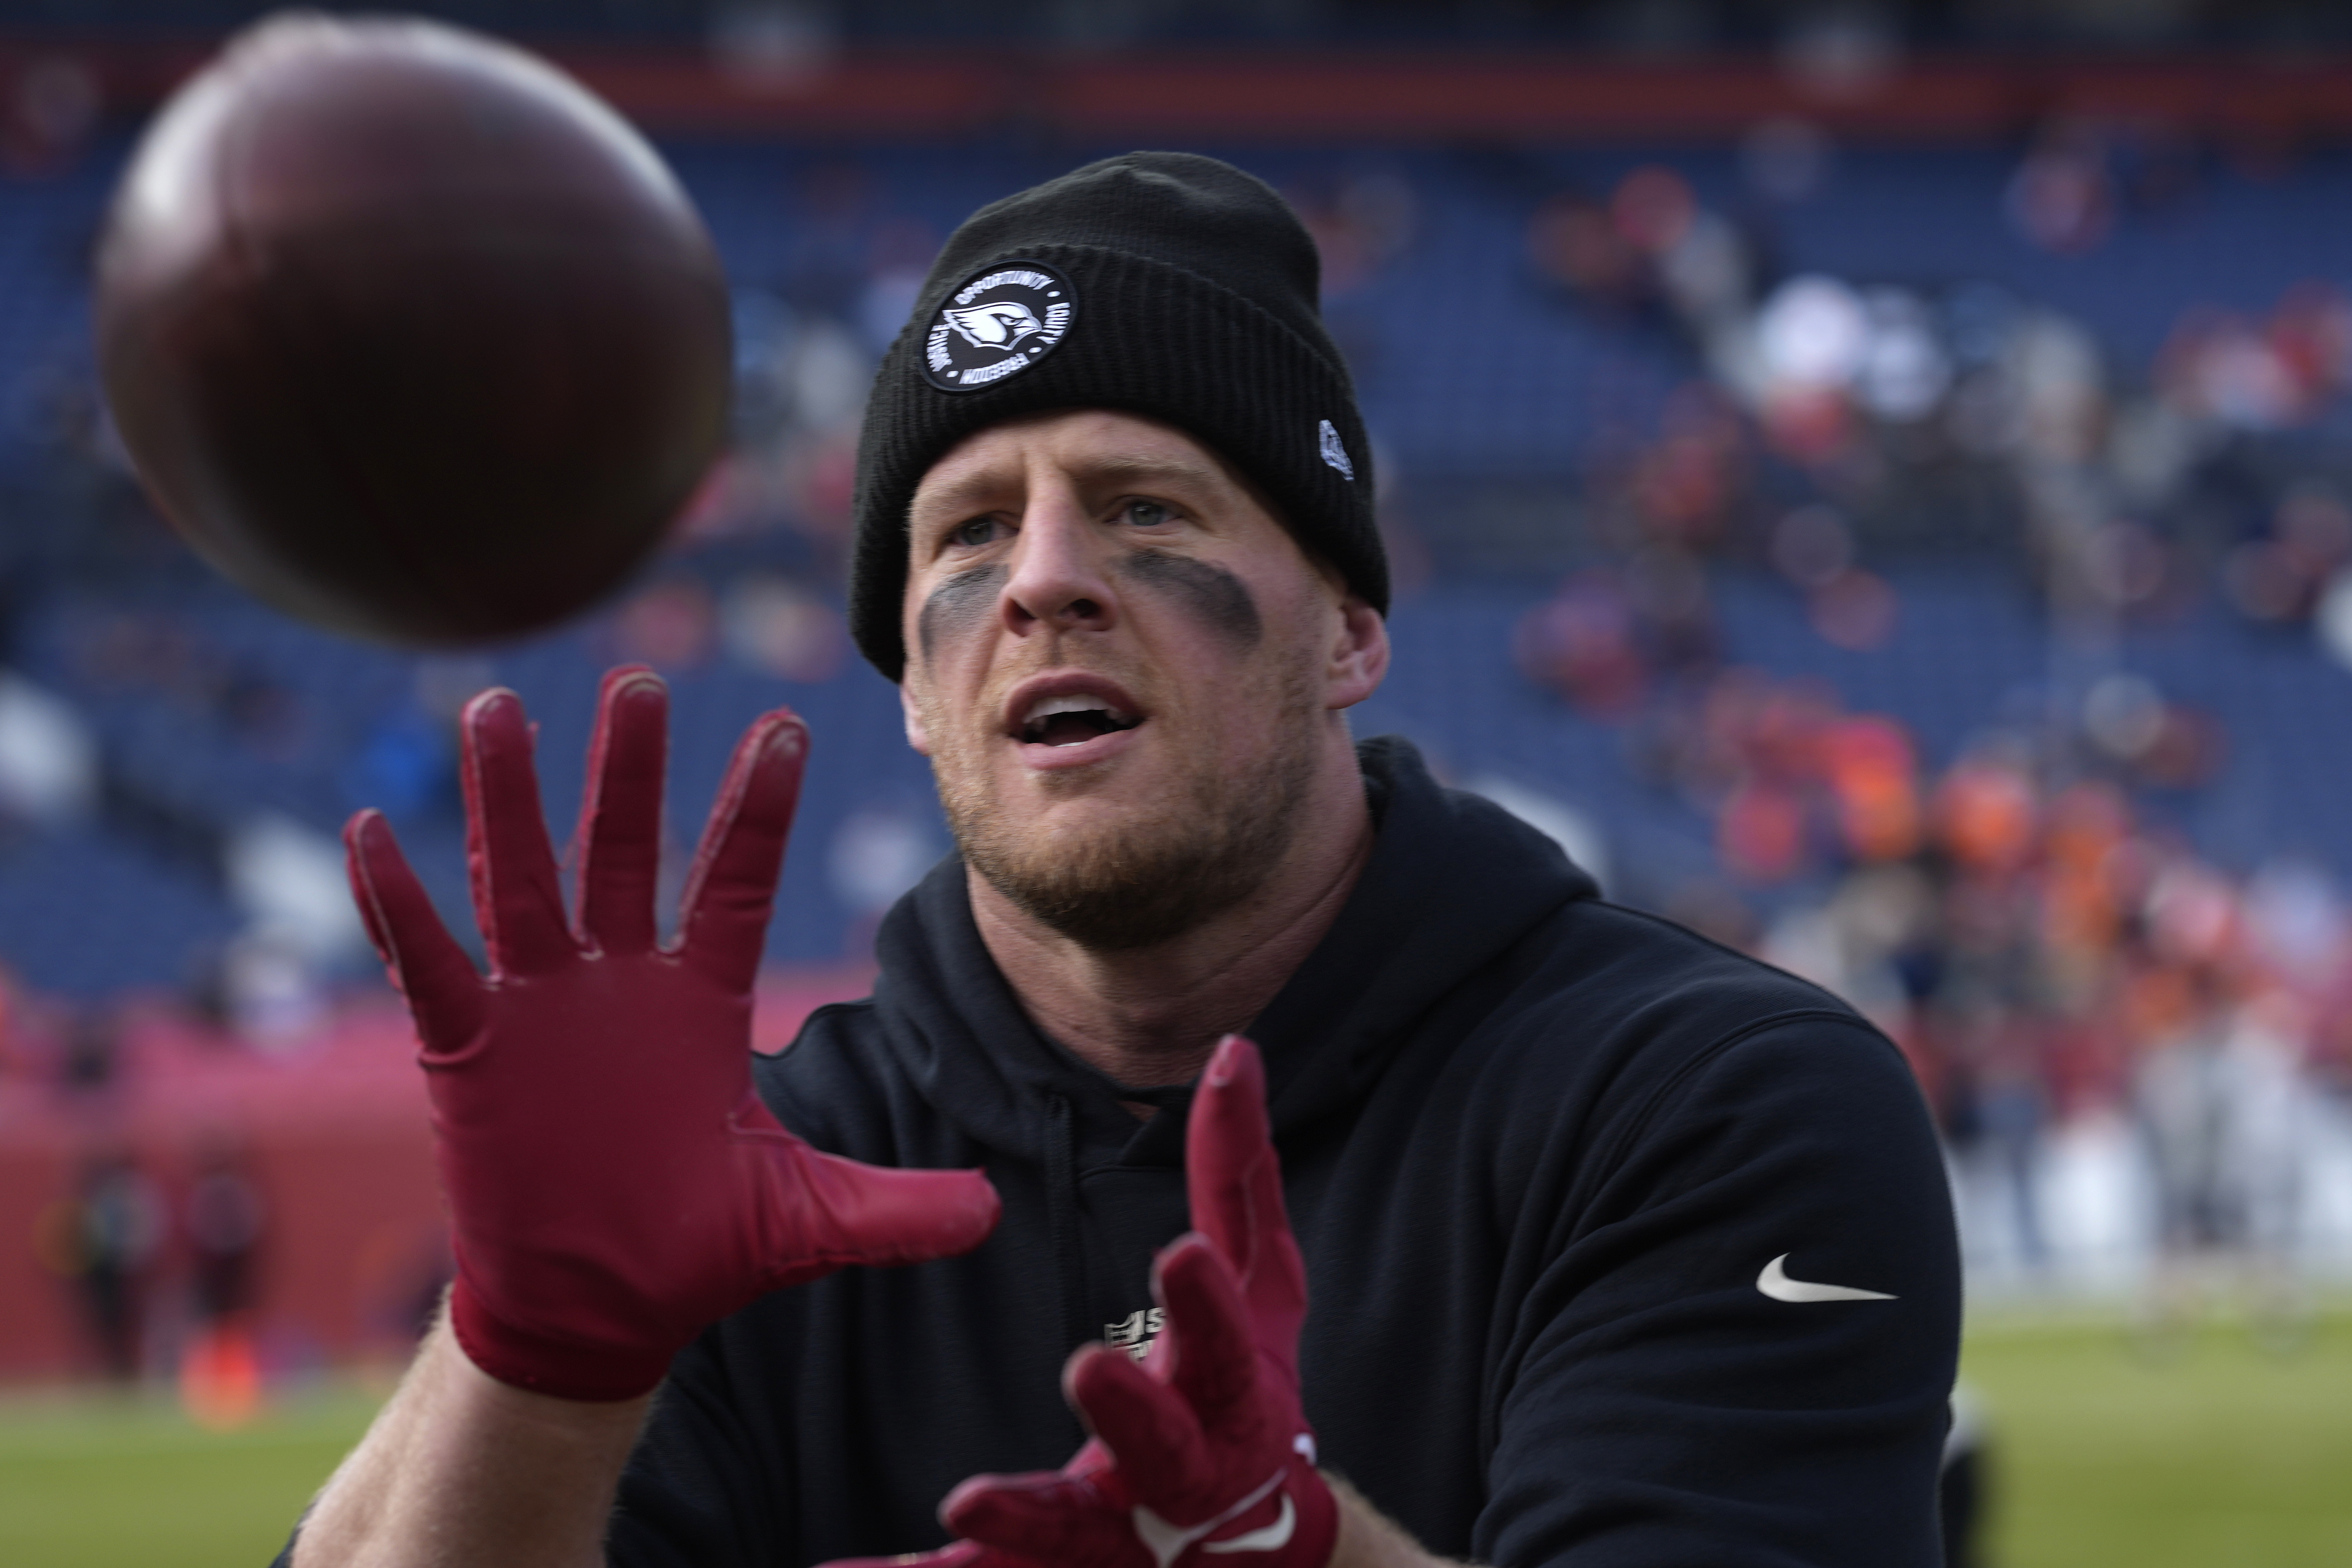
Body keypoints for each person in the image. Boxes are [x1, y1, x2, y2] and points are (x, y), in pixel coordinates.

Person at [282, 153, 1958, 1568]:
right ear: (915, 693)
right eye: (966, 531)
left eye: (1146, 506)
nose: (1041, 577)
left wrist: (1295, 1548)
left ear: (1349, 631)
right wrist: (535, 1355)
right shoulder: (753, 1180)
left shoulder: (1709, 1095)